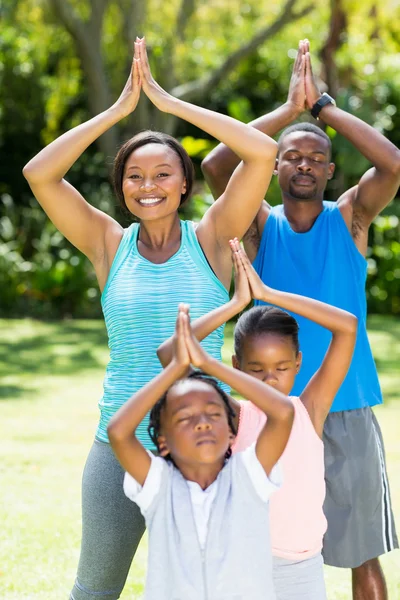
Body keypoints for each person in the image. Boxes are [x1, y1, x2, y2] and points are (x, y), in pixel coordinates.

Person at [22, 38, 278, 599]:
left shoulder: (211, 239)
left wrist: (171, 107)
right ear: (121, 189)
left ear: (185, 183)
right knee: (94, 589)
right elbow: (40, 174)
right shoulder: (107, 244)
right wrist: (117, 112)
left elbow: (261, 152)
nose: (148, 187)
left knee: (207, 590)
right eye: (134, 177)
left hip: (204, 446)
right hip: (120, 441)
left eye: (163, 174)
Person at [201, 39, 400, 600]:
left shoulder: (351, 218)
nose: (305, 163)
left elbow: (393, 164)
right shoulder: (260, 226)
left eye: (316, 157)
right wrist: (289, 110)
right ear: (274, 166)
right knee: (272, 549)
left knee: (362, 555)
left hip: (347, 406)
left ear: (331, 169)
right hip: (272, 409)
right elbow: (218, 163)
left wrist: (322, 111)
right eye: (292, 156)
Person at [159, 239, 357, 599]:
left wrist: (268, 293)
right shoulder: (229, 416)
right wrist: (235, 304)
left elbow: (347, 326)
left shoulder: (309, 410)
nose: (270, 379)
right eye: (257, 369)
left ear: (298, 362)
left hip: (303, 569)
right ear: (237, 367)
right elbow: (168, 355)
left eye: (281, 368)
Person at [107, 304, 294, 600]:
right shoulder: (158, 485)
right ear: (163, 442)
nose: (202, 424)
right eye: (184, 418)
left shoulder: (249, 476)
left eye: (213, 414)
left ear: (232, 433)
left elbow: (282, 413)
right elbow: (118, 432)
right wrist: (176, 370)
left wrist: (207, 364)